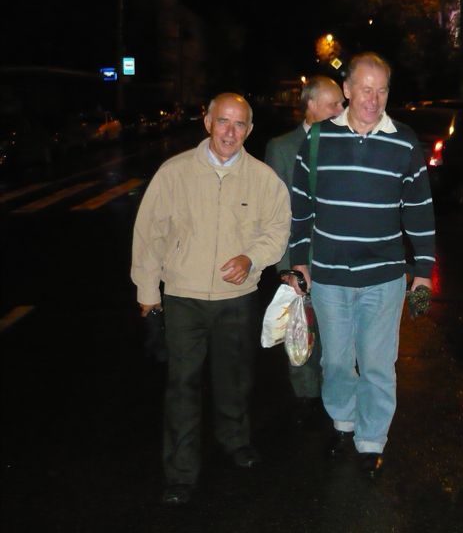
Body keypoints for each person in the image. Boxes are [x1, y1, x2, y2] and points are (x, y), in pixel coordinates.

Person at [131, 92, 291, 504]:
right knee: (182, 384)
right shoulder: (175, 172)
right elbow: (150, 233)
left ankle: (235, 439)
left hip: (236, 298)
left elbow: (277, 230)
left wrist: (252, 258)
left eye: (239, 124)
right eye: (223, 121)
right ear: (207, 122)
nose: (230, 132)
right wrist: (148, 290)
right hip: (183, 297)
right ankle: (181, 472)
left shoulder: (263, 179)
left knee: (234, 378)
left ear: (249, 130)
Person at [287, 52, 435, 478]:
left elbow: (419, 210)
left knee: (376, 362)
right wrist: (299, 263)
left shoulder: (404, 141)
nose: (373, 99)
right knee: (335, 361)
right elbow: (301, 207)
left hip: (384, 278)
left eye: (382, 90)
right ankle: (343, 420)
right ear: (347, 90)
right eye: (365, 89)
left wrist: (423, 270)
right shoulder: (318, 139)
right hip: (329, 276)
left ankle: (372, 439)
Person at [264, 76, 344, 424]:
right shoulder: (282, 148)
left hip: (339, 260)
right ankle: (306, 398)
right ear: (311, 106)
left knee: (337, 335)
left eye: (342, 104)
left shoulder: (348, 141)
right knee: (302, 330)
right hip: (302, 259)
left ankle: (335, 396)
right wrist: (286, 267)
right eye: (334, 104)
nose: (341, 110)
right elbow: (275, 213)